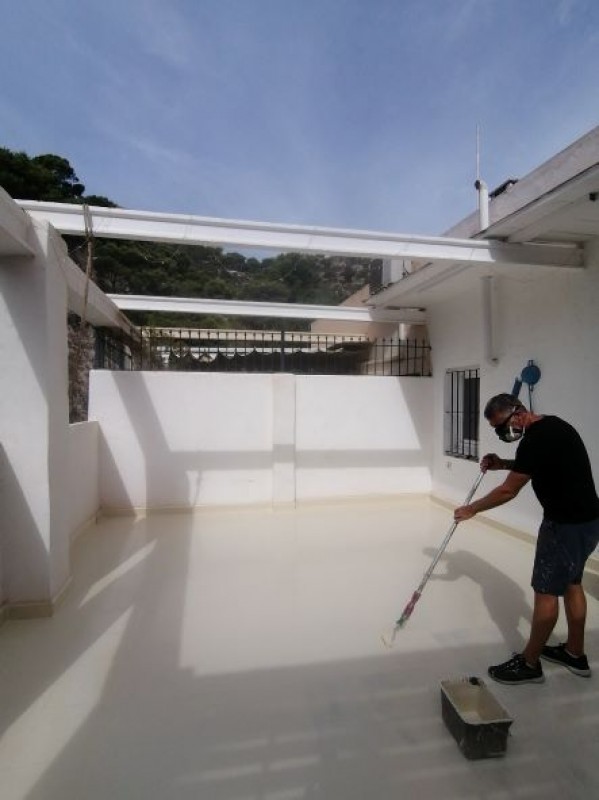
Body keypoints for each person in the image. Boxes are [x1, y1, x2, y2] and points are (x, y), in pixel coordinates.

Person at [454, 393, 599, 685]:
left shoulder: (535, 440)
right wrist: (502, 464)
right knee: (572, 583)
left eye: (501, 426)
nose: (502, 433)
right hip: (589, 522)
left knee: (546, 592)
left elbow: (509, 491)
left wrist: (472, 508)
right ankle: (574, 654)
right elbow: (534, 465)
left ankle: (529, 664)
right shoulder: (553, 426)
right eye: (497, 430)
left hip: (563, 527)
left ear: (518, 413)